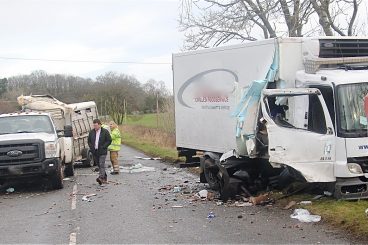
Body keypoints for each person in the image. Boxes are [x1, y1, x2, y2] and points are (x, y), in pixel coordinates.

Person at [88, 118, 112, 185]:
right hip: (95, 151)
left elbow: (109, 140)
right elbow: (89, 141)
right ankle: (104, 177)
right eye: (94, 125)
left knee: (101, 164)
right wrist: (91, 147)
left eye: (96, 125)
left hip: (102, 151)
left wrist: (104, 147)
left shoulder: (105, 132)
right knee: (99, 165)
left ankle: (101, 177)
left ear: (99, 125)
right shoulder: (91, 132)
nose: (95, 127)